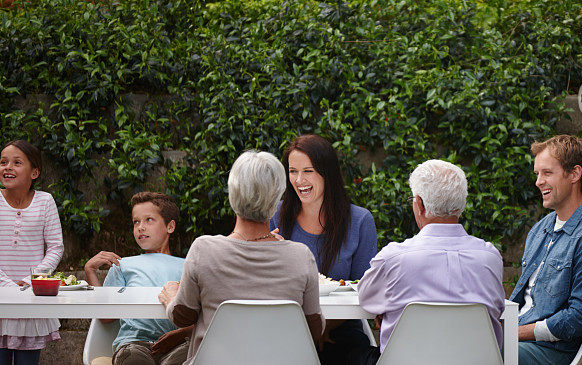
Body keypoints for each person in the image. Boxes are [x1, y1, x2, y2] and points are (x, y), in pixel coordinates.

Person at [158, 150, 323, 365]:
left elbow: (183, 316)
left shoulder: (204, 250)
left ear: (232, 194)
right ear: (276, 199)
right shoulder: (301, 256)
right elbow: (314, 329)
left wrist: (172, 296)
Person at [351, 159, 506, 365]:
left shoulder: (393, 258)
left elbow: (366, 300)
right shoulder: (490, 257)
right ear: (462, 204)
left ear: (419, 204)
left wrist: (389, 311)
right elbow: (496, 310)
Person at [510, 135, 582, 365]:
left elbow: (578, 318)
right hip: (516, 338)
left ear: (574, 174)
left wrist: (512, 333)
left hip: (550, 351)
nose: (538, 182)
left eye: (547, 173)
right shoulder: (540, 229)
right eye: (537, 174)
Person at [270, 134, 377, 365]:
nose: (299, 180)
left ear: (327, 172)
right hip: (284, 333)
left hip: (340, 333)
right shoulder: (274, 216)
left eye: (308, 171)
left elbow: (363, 291)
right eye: (292, 171)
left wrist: (323, 327)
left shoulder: (360, 221)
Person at [84, 192, 189, 365]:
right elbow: (105, 317)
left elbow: (200, 317)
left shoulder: (188, 266)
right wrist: (90, 271)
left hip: (177, 345)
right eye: (136, 222)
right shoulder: (123, 265)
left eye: (149, 220)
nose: (140, 227)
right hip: (133, 344)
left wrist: (181, 334)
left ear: (170, 227)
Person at [0, 140, 64, 365]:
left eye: (17, 162)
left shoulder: (45, 202)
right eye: (3, 162)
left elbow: (56, 246)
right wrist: (6, 285)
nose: (8, 167)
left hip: (29, 299)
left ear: (34, 172)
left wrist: (31, 280)